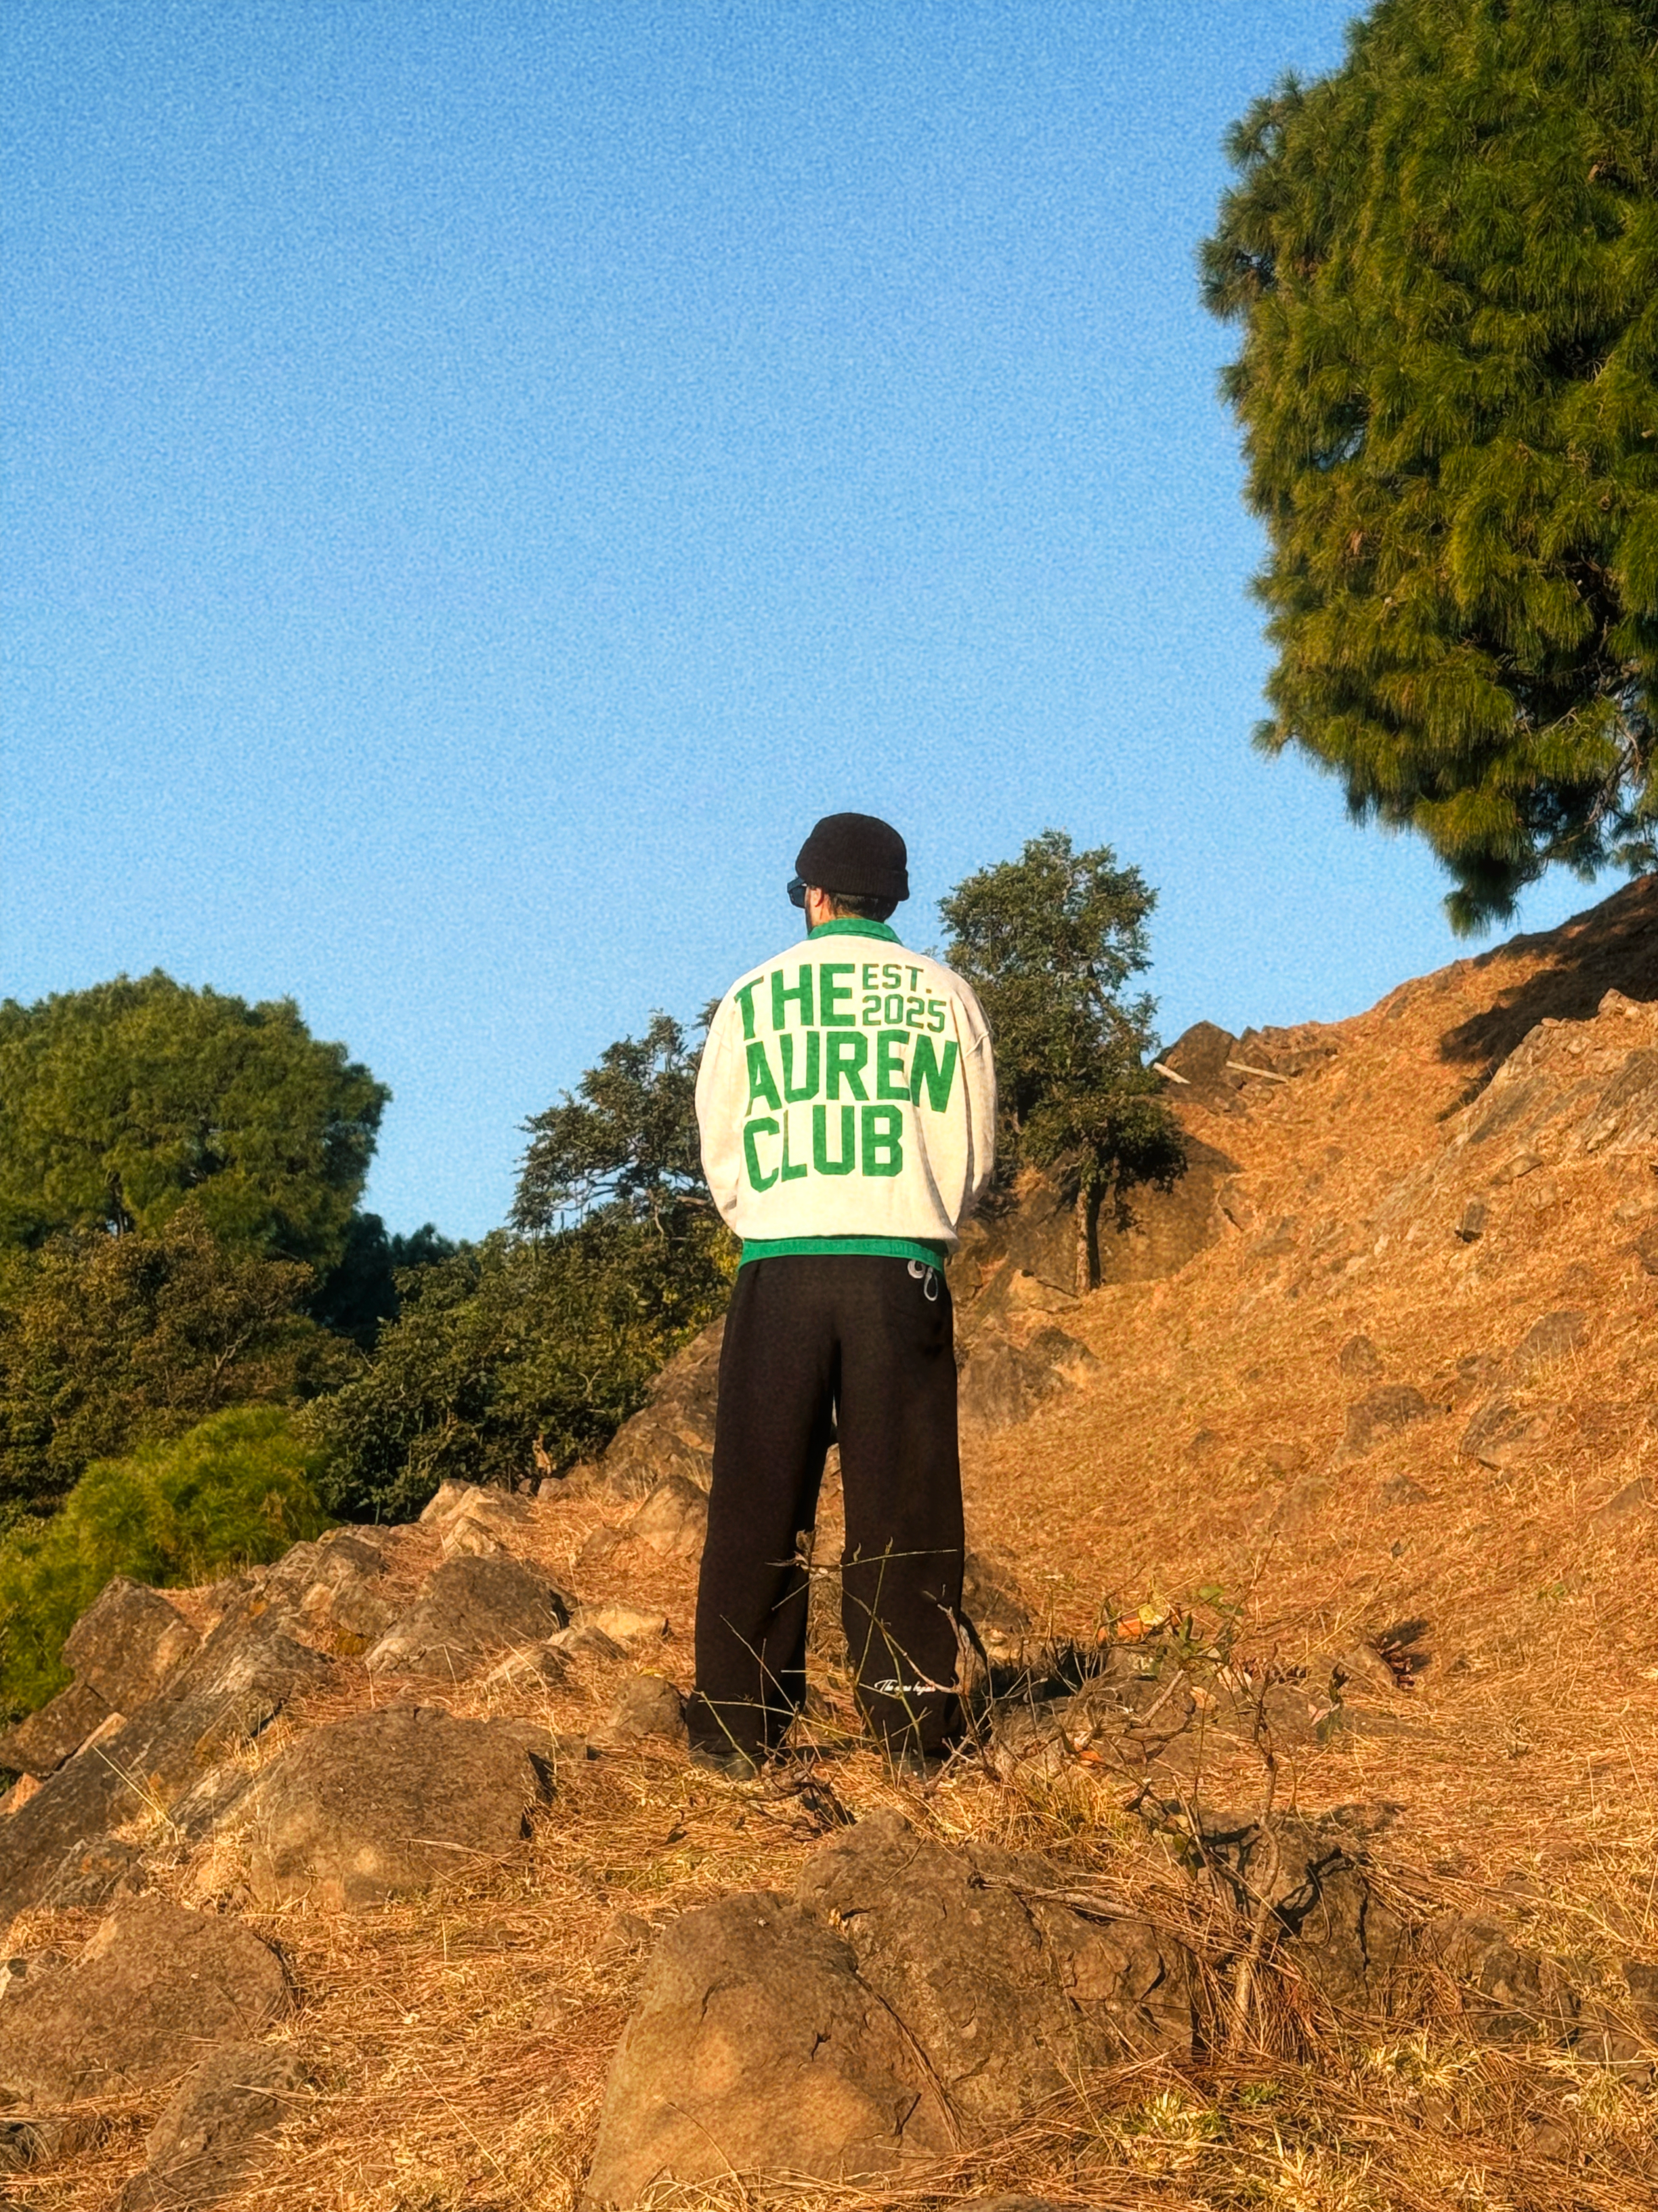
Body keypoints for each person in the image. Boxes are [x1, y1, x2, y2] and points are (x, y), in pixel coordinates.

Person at [687, 811, 996, 1774]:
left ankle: (740, 1727)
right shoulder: (946, 996)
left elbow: (721, 1145)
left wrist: (771, 1214)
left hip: (779, 1264)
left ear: (814, 898)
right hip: (897, 1264)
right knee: (903, 1500)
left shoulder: (753, 995)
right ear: (893, 899)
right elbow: (972, 1148)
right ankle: (910, 1729)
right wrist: (914, 1212)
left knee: (758, 1492)